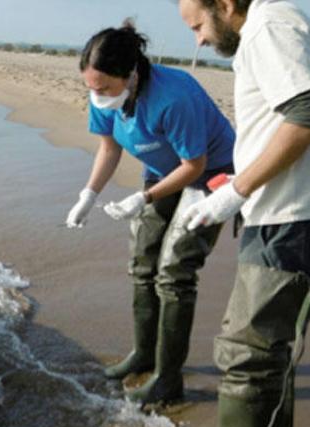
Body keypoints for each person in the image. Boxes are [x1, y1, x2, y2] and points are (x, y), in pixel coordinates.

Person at [175, 0, 310, 427]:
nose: (199, 39)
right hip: (288, 207)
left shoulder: (269, 26)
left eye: (197, 25)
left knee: (246, 356)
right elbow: (286, 118)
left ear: (226, 5)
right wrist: (241, 179)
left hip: (295, 214)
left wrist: (238, 190)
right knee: (266, 352)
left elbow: (307, 111)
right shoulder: (273, 24)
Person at [66, 22, 235, 405]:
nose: (97, 95)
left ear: (132, 74)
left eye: (105, 87)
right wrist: (88, 196)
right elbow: (109, 149)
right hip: (161, 172)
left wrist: (142, 199)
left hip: (210, 177)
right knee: (143, 261)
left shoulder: (173, 98)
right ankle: (144, 353)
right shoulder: (104, 98)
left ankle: (168, 379)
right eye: (90, 87)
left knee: (175, 271)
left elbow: (194, 165)